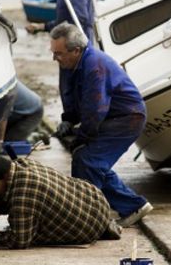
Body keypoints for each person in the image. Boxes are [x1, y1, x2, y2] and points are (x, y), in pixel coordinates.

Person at [50, 22, 153, 227]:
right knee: (90, 161)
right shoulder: (73, 64)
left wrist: (81, 138)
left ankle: (88, 217)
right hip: (111, 117)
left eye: (59, 53)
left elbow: (95, 110)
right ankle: (133, 206)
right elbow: (74, 98)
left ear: (76, 50)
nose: (55, 58)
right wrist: (68, 120)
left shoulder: (94, 66)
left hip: (126, 118)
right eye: (54, 53)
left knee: (87, 160)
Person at [0, 153, 122, 248]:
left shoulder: (22, 197)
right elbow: (0, 202)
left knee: (28, 233)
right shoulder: (22, 165)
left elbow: (19, 240)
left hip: (87, 228)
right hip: (97, 202)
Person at [25, 0, 95, 122]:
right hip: (72, 44)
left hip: (74, 48)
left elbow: (79, 18)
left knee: (72, 86)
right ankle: (72, 121)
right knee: (69, 87)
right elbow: (65, 19)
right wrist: (42, 27)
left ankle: (74, 123)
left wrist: (70, 43)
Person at [0, 81, 48, 154]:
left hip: (33, 113)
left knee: (8, 145)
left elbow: (3, 117)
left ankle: (36, 137)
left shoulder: (4, 89)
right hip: (17, 111)